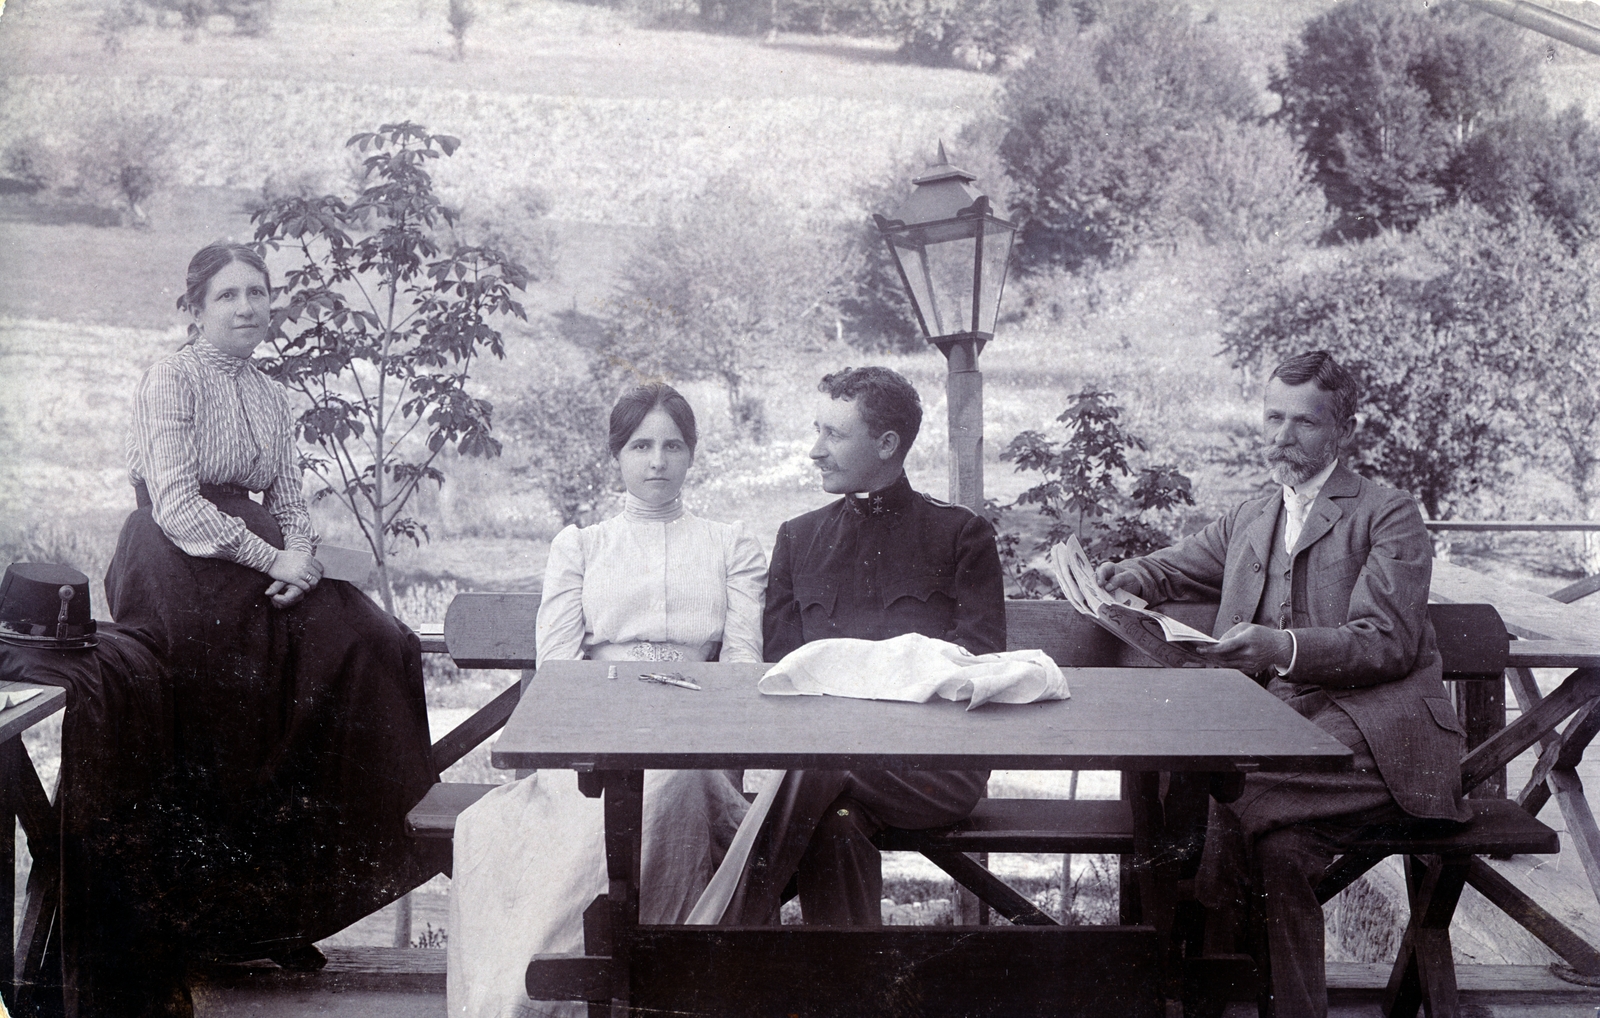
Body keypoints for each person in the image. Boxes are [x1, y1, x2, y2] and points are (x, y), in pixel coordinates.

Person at [102, 242, 439, 1007]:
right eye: (229, 295)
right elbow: (177, 503)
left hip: (255, 557)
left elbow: (291, 501)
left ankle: (306, 897)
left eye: (258, 293)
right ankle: (219, 919)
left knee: (375, 644)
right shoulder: (170, 378)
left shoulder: (269, 393)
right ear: (194, 308)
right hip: (174, 559)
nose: (249, 307)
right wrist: (272, 562)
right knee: (234, 697)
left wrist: (300, 561)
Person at [1095, 351, 1469, 1018]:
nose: (1282, 436)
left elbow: (1387, 642)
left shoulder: (1390, 514)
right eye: (1273, 417)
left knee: (1211, 794)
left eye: (1304, 422)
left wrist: (1283, 646)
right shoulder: (1254, 513)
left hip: (1379, 745)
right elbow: (1173, 567)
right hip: (1288, 758)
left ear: (1342, 430)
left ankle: (1181, 975)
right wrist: (1130, 575)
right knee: (1279, 852)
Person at [448, 382, 767, 1018]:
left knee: (672, 787)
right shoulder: (582, 546)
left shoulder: (731, 544)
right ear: (616, 455)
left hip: (694, 733)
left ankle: (647, 989)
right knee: (503, 829)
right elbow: (560, 670)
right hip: (597, 732)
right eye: (640, 445)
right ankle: (538, 992)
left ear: (692, 454)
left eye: (672, 446)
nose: (657, 462)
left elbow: (741, 665)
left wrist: (702, 723)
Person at [720, 365, 1006, 927]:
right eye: (816, 430)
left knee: (823, 767)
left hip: (933, 772)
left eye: (833, 434)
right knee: (836, 823)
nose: (814, 451)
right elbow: (781, 676)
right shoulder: (798, 539)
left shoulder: (960, 536)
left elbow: (975, 668)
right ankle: (855, 993)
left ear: (886, 444)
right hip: (822, 774)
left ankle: (725, 930)